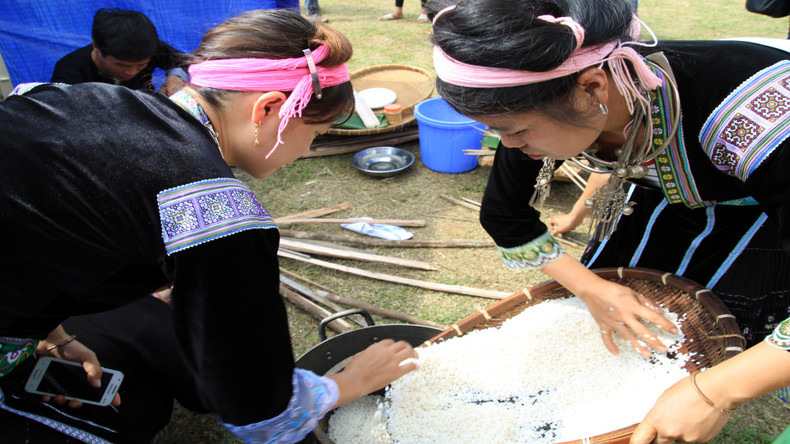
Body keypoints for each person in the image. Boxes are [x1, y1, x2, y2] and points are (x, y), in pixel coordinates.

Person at [0, 8, 417, 444]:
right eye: (315, 134)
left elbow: (31, 232)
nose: (305, 151)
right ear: (269, 107)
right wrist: (347, 384)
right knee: (131, 413)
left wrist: (55, 334)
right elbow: (255, 401)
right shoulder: (218, 213)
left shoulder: (70, 96)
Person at [428, 0, 790, 440]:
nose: (509, 145)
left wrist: (716, 392)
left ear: (594, 87)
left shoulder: (758, 117)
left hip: (761, 217)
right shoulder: (540, 95)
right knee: (639, 321)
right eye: (498, 131)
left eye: (517, 131)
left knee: (724, 339)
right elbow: (506, 216)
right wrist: (592, 288)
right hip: (660, 204)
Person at [51, 8, 188, 96]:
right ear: (96, 47)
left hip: (145, 109)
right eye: (121, 65)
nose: (131, 72)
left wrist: (175, 78)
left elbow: (182, 60)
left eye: (141, 65)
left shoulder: (149, 48)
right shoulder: (69, 70)